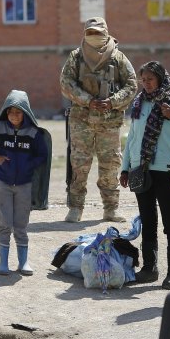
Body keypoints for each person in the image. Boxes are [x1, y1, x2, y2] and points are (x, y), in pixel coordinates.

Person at [119, 62, 170, 289]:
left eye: (150, 79)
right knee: (148, 220)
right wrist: (125, 167)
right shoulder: (139, 103)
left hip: (167, 170)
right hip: (140, 169)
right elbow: (133, 136)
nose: (147, 83)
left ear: (161, 79)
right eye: (143, 79)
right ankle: (149, 268)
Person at [59, 17, 137, 223]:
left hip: (109, 122)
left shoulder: (118, 58)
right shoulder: (76, 57)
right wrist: (88, 100)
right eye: (90, 32)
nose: (94, 37)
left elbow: (132, 85)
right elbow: (65, 83)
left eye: (98, 33)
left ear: (106, 33)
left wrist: (112, 102)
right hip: (81, 121)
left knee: (110, 166)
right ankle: (75, 208)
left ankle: (110, 209)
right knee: (79, 165)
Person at [0, 89, 50, 276]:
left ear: (25, 112)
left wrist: (28, 165)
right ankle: (3, 262)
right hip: (3, 183)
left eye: (18, 112)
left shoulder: (33, 133)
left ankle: (23, 262)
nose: (14, 116)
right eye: (10, 112)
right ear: (5, 112)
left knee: (21, 223)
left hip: (25, 185)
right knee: (4, 222)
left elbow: (42, 155)